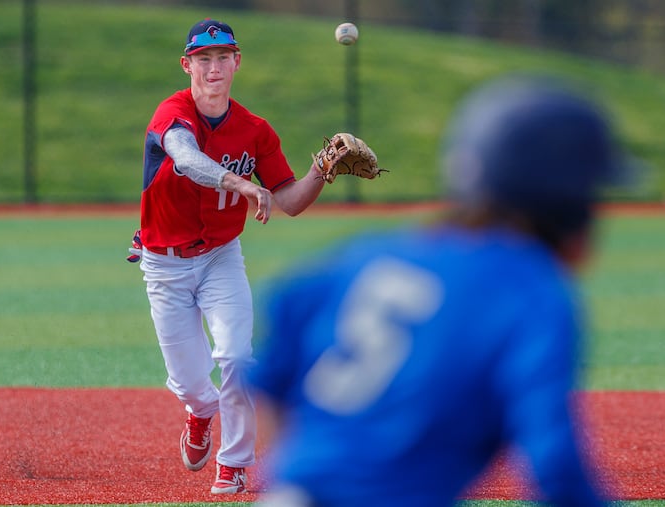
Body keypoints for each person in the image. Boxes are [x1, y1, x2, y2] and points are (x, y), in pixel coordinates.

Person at [248, 75, 624, 506]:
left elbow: (282, 318)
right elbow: (555, 465)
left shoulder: (374, 252)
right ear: (564, 200)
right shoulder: (530, 293)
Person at [132, 18, 329, 495]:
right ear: (187, 65)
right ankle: (199, 413)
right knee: (191, 384)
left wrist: (321, 170)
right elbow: (184, 157)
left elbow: (288, 201)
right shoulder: (172, 113)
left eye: (223, 56)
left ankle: (234, 462)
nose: (214, 66)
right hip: (165, 262)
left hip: (221, 256)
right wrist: (239, 182)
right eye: (204, 58)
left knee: (238, 356)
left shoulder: (255, 131)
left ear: (237, 62)